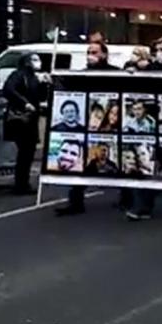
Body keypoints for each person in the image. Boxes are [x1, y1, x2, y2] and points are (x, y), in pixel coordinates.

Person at [56, 43, 119, 216]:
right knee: (84, 165)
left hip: (108, 131)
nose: (90, 55)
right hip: (88, 131)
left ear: (104, 55)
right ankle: (75, 202)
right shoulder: (83, 74)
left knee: (117, 165)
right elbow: (65, 87)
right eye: (88, 52)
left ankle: (127, 198)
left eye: (94, 52)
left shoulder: (116, 73)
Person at [2, 53, 45, 194]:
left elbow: (40, 96)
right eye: (34, 59)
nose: (38, 62)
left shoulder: (34, 77)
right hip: (20, 119)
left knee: (28, 152)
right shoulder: (18, 75)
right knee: (25, 151)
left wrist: (45, 84)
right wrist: (24, 103)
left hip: (30, 119)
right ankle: (20, 184)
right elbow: (8, 89)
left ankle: (22, 183)